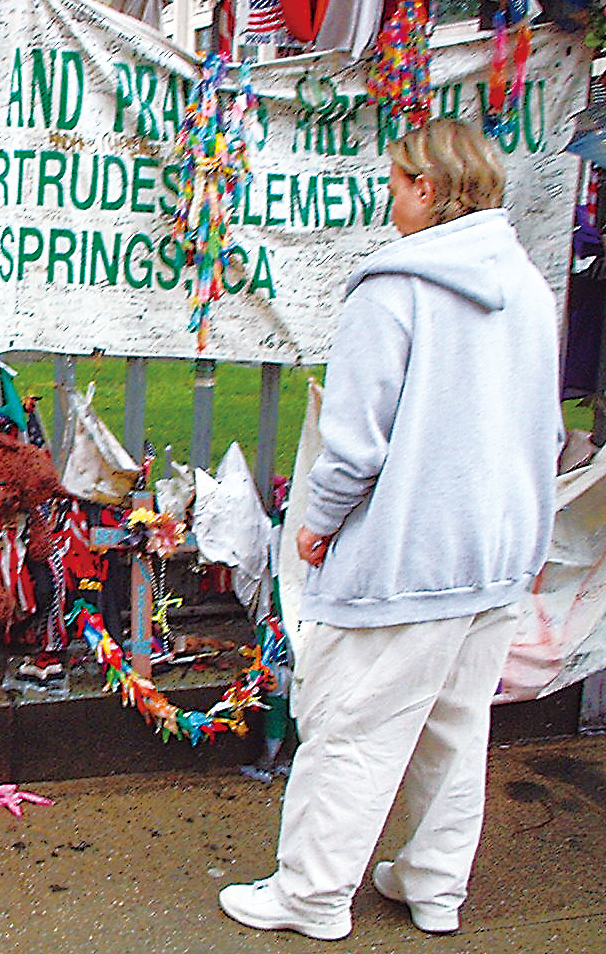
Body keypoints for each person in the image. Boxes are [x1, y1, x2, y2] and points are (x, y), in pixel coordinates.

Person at [218, 118, 562, 941]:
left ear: (431, 191)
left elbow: (353, 441)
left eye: (400, 180)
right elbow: (543, 431)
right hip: (499, 549)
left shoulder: (395, 287)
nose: (391, 194)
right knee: (455, 726)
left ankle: (311, 896)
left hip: (411, 551)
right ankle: (434, 888)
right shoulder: (527, 286)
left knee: (353, 728)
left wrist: (318, 525)